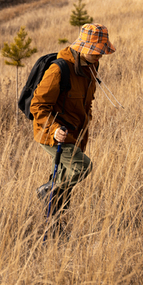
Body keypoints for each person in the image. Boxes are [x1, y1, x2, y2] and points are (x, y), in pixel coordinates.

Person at [30, 23, 116, 231]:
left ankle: (55, 227)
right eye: (96, 51)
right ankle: (47, 191)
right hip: (53, 135)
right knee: (82, 166)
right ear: (83, 47)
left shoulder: (90, 67)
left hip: (75, 135)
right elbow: (38, 105)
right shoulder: (58, 70)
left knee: (63, 184)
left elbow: (87, 103)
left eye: (101, 51)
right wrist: (54, 129)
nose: (100, 56)